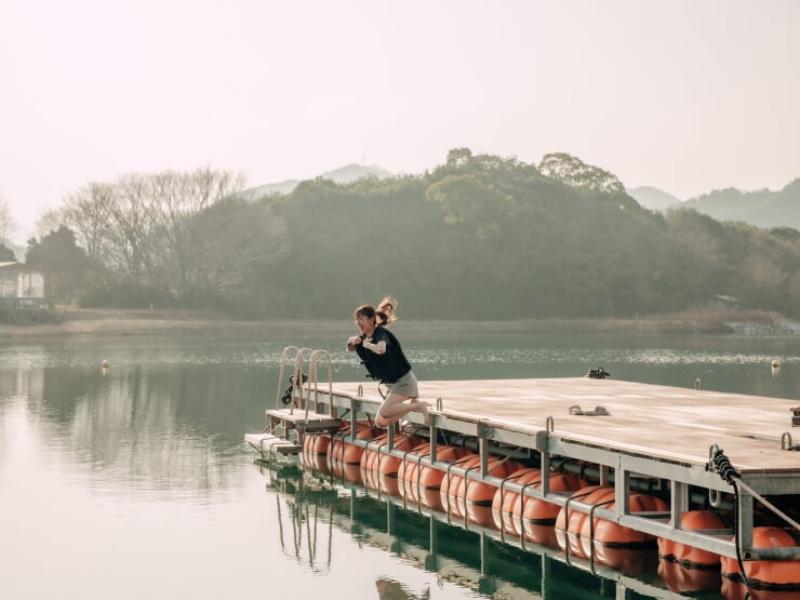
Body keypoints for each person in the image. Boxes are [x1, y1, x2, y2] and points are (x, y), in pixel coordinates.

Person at [346, 299, 429, 428]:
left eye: (361, 319)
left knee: (385, 411)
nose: (358, 322)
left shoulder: (380, 333)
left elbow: (381, 349)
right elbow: (350, 349)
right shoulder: (363, 337)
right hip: (393, 384)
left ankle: (419, 405)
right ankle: (412, 407)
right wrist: (352, 343)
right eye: (356, 319)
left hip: (403, 381)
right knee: (380, 422)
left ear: (371, 319)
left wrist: (365, 344)